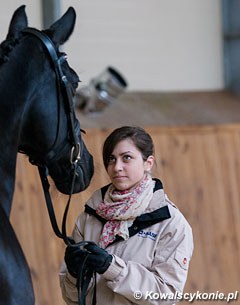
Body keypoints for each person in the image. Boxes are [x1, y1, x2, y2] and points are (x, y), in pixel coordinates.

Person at [59, 126, 194, 305]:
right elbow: (72, 299)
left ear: (148, 162)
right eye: (111, 159)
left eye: (127, 158)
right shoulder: (89, 217)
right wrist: (75, 275)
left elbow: (166, 297)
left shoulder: (171, 224)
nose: (117, 167)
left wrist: (112, 268)